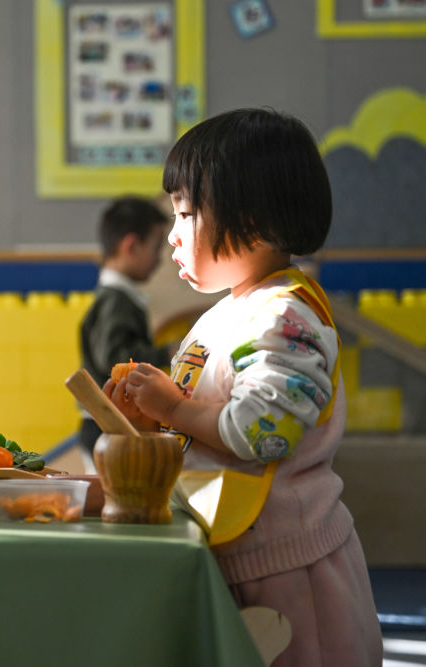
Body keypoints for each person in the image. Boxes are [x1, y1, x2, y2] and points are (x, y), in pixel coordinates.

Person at [106, 108, 381, 665]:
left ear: (251, 219)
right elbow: (207, 416)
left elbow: (262, 431)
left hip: (290, 572)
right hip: (236, 553)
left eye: (185, 214)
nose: (173, 236)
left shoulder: (285, 315)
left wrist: (173, 408)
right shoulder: (227, 313)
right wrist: (151, 421)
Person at [78, 196, 172, 466]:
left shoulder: (119, 297)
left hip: (106, 423)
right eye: (156, 248)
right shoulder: (116, 300)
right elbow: (113, 358)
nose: (158, 260)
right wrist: (165, 353)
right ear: (131, 245)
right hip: (106, 424)